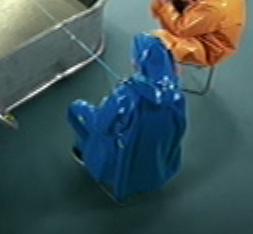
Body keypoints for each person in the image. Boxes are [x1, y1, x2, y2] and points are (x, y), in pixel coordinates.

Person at [67, 32, 187, 201]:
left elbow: (102, 124)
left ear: (139, 62)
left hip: (123, 150)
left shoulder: (126, 95)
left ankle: (84, 153)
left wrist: (88, 108)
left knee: (77, 110)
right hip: (158, 150)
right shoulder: (177, 93)